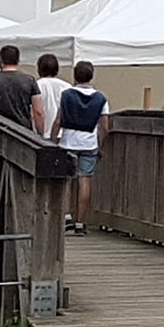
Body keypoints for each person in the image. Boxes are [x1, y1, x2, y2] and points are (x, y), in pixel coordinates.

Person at [57, 62, 110, 235]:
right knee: (84, 180)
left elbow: (59, 121)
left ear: (75, 76)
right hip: (89, 143)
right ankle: (80, 222)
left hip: (68, 141)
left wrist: (52, 140)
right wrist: (101, 144)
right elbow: (105, 127)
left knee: (66, 180)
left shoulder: (66, 96)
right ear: (92, 76)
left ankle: (66, 216)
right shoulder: (101, 98)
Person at [0, 46, 43, 131]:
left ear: (1, 60)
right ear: (18, 60)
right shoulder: (29, 80)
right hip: (23, 132)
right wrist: (40, 134)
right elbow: (38, 111)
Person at [34, 54, 71, 139]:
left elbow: (36, 112)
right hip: (62, 135)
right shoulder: (67, 86)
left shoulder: (36, 85)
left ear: (39, 69)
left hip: (41, 134)